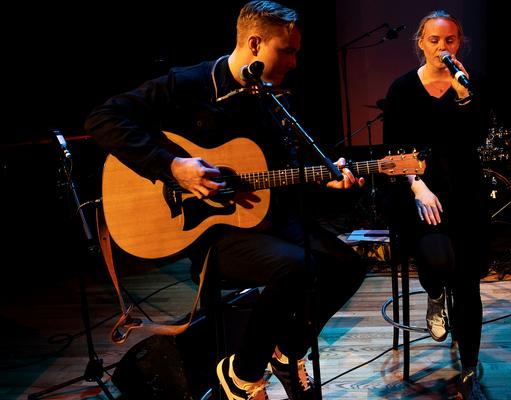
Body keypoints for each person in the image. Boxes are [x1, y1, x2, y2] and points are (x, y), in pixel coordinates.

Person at [86, 2, 369, 399]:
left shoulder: (270, 100)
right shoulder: (190, 85)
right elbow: (103, 118)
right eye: (286, 51)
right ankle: (242, 375)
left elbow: (280, 173)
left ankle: (287, 352)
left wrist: (324, 179)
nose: (294, 61)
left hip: (265, 221)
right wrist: (172, 167)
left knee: (348, 265)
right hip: (211, 235)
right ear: (255, 43)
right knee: (296, 267)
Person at [380, 10, 490, 400]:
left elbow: (480, 136)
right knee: (440, 263)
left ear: (459, 45)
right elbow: (393, 153)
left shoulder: (470, 87)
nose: (442, 48)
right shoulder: (402, 89)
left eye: (450, 41)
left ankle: (470, 369)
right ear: (420, 43)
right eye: (434, 40)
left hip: (465, 192)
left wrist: (464, 94)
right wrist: (417, 187)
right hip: (418, 191)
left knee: (469, 281)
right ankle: (434, 292)